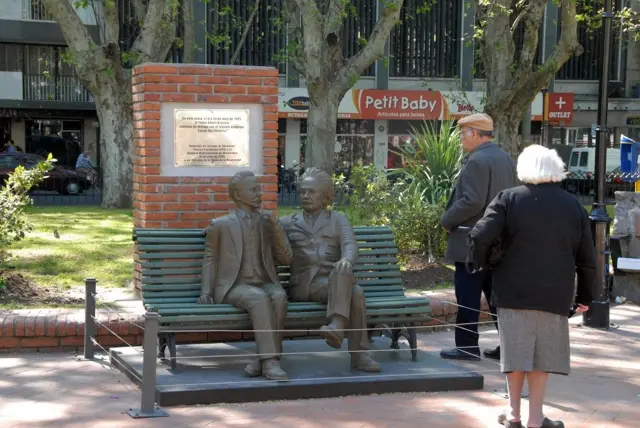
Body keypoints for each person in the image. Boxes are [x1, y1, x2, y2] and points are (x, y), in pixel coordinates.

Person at [468, 145, 595, 428]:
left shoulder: (509, 199)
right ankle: (536, 418)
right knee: (542, 358)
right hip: (555, 293)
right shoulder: (572, 205)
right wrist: (587, 295)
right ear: (556, 168)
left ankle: (514, 414)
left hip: (513, 290)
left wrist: (487, 262)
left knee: (515, 355)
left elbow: (479, 235)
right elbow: (587, 257)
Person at [280, 167, 381, 373]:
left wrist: (346, 260)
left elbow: (350, 245)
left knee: (354, 289)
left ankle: (337, 327)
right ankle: (358, 353)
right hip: (302, 286)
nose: (305, 196)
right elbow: (259, 230)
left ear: (325, 196)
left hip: (331, 285)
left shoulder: (338, 219)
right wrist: (218, 227)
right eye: (302, 192)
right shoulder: (287, 222)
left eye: (311, 192)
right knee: (355, 292)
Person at [197, 171, 293, 381]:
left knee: (278, 296)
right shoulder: (221, 225)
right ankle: (270, 362)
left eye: (260, 188)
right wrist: (206, 291)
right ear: (238, 195)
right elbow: (210, 259)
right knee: (258, 298)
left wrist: (276, 227)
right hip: (234, 286)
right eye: (254, 189)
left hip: (265, 281)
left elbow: (287, 258)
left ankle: (263, 358)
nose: (260, 193)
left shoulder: (267, 222)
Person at [440, 113, 518, 361]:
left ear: (474, 133)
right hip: (498, 240)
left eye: (463, 133)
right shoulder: (505, 158)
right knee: (497, 298)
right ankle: (510, 347)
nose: (461, 138)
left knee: (467, 295)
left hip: (471, 241)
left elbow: (472, 200)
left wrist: (447, 220)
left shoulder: (477, 161)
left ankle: (466, 346)